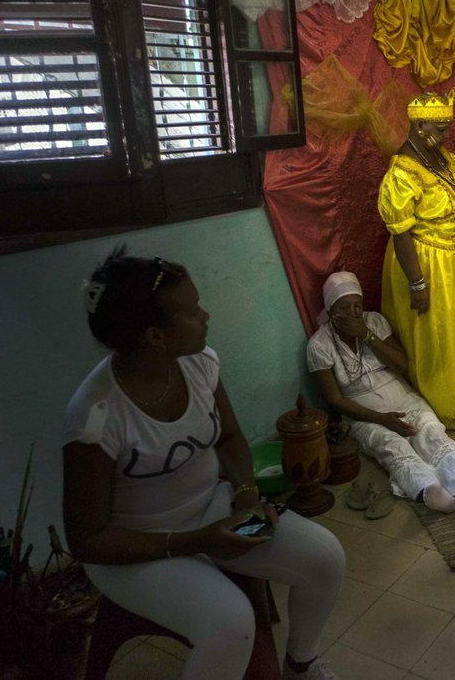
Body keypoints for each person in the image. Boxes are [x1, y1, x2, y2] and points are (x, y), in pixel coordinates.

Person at [62, 248, 345, 680]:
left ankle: (301, 664)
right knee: (230, 623)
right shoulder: (96, 416)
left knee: (325, 557)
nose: (205, 315)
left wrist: (247, 499)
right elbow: (87, 540)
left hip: (215, 515)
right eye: (193, 311)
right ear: (155, 336)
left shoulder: (199, 363)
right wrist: (199, 541)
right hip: (137, 554)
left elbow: (230, 437)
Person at [306, 271, 455, 513]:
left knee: (430, 430)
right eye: (344, 307)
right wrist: (381, 419)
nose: (353, 313)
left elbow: (401, 365)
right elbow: (335, 400)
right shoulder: (318, 346)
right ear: (331, 310)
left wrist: (366, 335)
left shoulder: (373, 322)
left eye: (357, 305)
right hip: (363, 415)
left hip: (404, 399)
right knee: (393, 444)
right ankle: (428, 489)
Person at [378, 89, 455, 430]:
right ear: (419, 124)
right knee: (437, 335)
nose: (445, 136)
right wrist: (418, 282)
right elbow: (401, 232)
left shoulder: (445, 159)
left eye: (447, 128)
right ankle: (443, 401)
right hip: (426, 264)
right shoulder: (403, 171)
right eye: (439, 129)